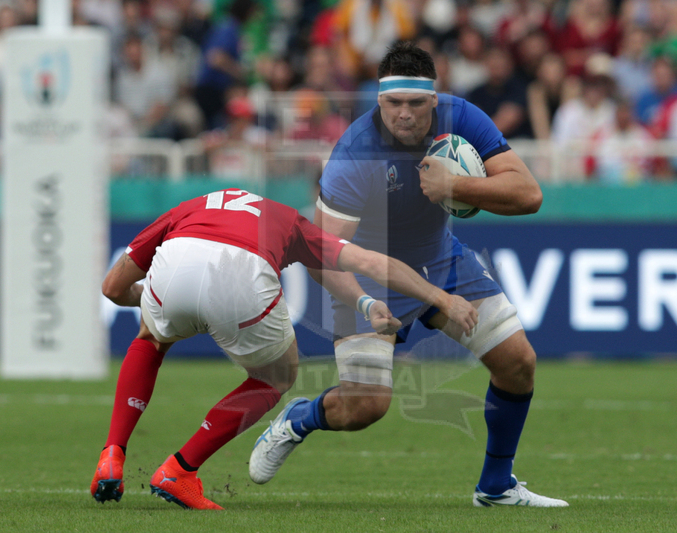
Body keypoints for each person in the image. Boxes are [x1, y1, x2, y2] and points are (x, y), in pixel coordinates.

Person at [249, 41, 569, 508]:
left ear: (434, 102)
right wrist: (362, 301)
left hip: (442, 260)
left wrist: (455, 185)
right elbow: (323, 253)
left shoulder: (462, 118)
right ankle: (300, 417)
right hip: (369, 274)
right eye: (393, 103)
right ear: (378, 101)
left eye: (416, 104)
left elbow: (529, 194)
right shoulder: (355, 152)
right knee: (365, 408)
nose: (404, 114)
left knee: (518, 362)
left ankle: (496, 486)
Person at [89, 188, 478, 510]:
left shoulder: (189, 207)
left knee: (151, 338)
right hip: (241, 274)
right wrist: (441, 299)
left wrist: (151, 298)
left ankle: (112, 454)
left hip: (175, 261)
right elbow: (370, 263)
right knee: (277, 375)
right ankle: (180, 469)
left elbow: (111, 287)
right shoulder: (289, 220)